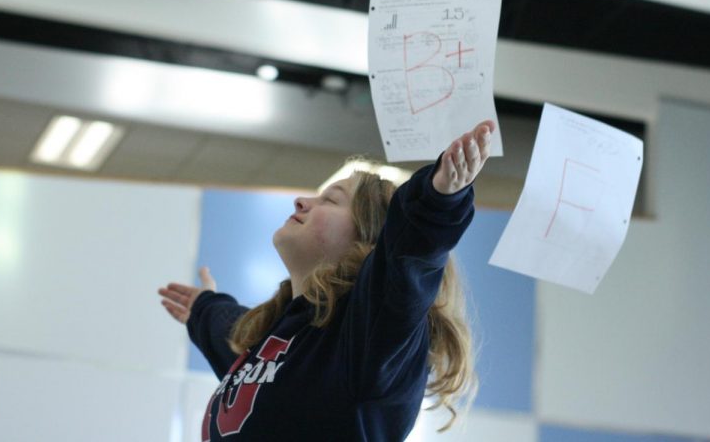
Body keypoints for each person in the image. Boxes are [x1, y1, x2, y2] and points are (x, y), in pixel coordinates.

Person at [158, 119, 495, 441]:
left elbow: (408, 255)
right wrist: (204, 309)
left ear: (370, 241)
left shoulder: (371, 340)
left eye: (330, 199)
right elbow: (235, 337)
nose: (302, 201)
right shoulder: (280, 338)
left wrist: (436, 201)